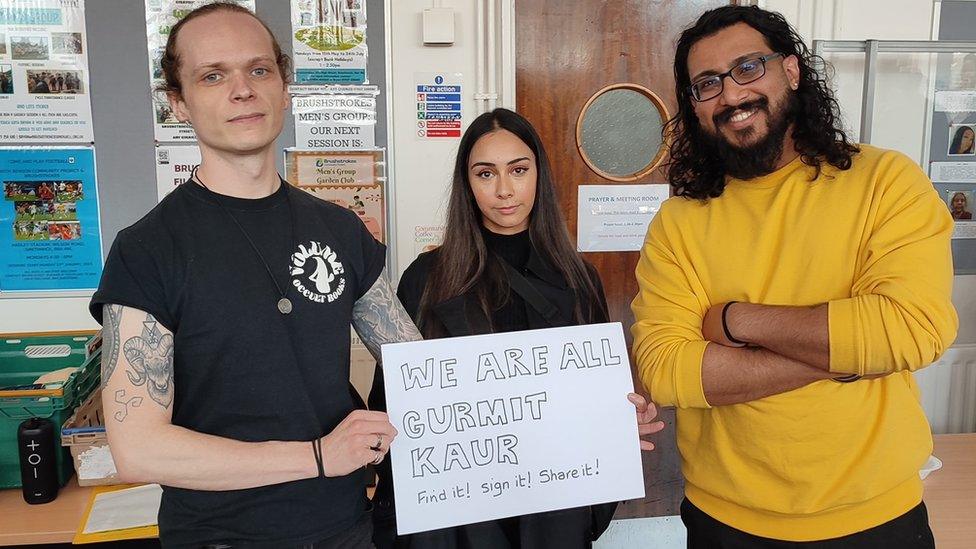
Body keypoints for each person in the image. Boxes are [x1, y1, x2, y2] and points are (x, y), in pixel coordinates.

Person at [89, 3, 422, 547]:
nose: (242, 90)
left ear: (285, 87)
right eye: (213, 75)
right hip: (220, 536)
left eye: (259, 69)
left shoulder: (339, 229)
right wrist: (317, 458)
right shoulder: (147, 250)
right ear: (179, 103)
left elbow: (422, 368)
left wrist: (578, 406)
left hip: (344, 529)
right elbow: (138, 449)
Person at [631, 6, 957, 548]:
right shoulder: (678, 223)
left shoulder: (886, 182)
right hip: (726, 522)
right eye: (707, 84)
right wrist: (846, 356)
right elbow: (668, 371)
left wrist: (735, 321)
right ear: (693, 105)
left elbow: (912, 330)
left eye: (748, 67)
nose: (732, 95)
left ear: (791, 71)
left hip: (877, 519)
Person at [369, 108, 666, 549]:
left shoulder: (577, 278)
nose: (504, 190)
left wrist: (617, 418)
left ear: (538, 176)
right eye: (485, 173)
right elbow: (391, 402)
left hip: (555, 506)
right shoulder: (427, 278)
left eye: (518, 170)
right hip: (459, 521)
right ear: (467, 185)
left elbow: (591, 391)